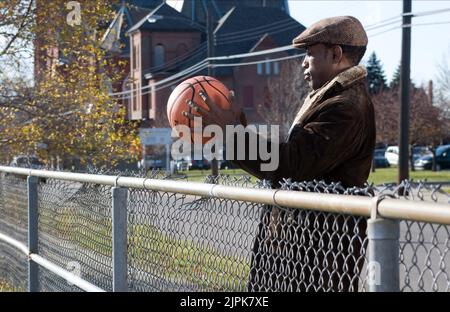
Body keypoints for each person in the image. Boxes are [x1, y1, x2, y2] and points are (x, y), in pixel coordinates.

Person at [184, 16, 376, 292]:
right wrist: (238, 127)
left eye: (310, 54)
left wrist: (230, 133)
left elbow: (291, 164)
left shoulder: (346, 107)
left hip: (319, 253)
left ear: (335, 54)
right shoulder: (332, 98)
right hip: (302, 246)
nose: (303, 62)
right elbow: (292, 156)